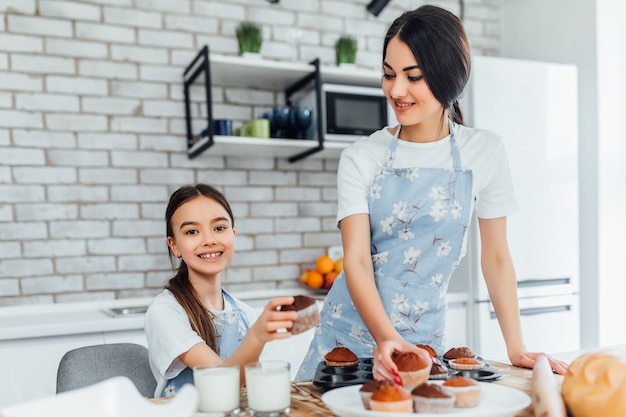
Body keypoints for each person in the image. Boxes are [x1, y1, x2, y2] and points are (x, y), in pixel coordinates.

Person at [297, 5, 568, 382]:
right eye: (388, 74)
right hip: (347, 339)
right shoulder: (361, 157)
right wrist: (388, 340)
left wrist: (516, 347)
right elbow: (356, 261)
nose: (396, 90)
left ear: (449, 78)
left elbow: (495, 256)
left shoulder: (485, 151)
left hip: (422, 341)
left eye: (414, 76)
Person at [144, 183, 298, 397]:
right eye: (191, 231)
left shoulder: (245, 314)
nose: (209, 240)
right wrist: (257, 337)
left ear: (233, 234)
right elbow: (221, 386)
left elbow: (252, 389)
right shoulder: (165, 312)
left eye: (219, 228)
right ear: (174, 245)